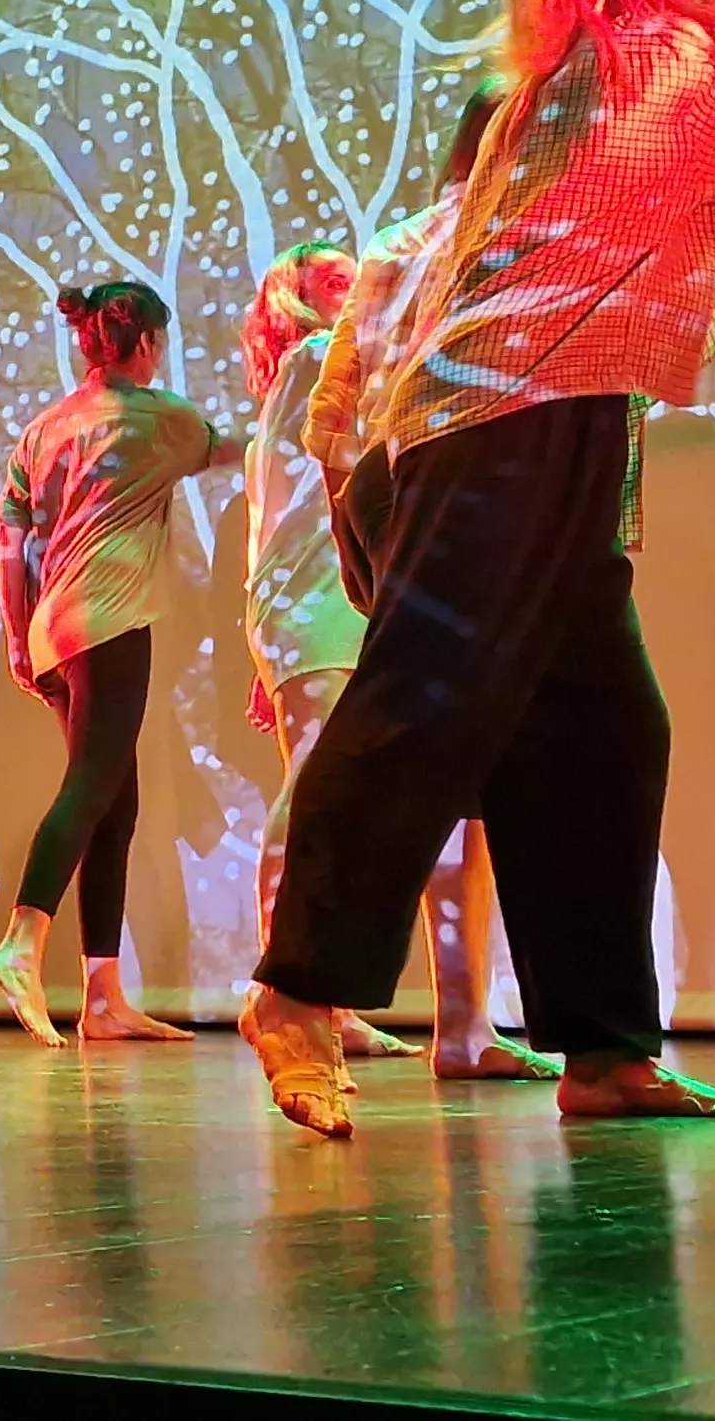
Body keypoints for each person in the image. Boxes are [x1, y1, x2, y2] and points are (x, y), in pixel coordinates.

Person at [245, 0, 715, 1137]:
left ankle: (606, 1048)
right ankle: (296, 990)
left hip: (517, 427)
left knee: (601, 730)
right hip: (504, 422)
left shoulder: (566, 93)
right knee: (427, 692)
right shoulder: (651, 59)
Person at [240, 237, 552, 1082]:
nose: (358, 292)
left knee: (451, 805)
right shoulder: (318, 360)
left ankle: (462, 1025)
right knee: (321, 793)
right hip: (324, 599)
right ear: (295, 302)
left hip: (366, 593)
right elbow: (293, 511)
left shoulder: (345, 367)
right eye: (336, 282)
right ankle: (297, 1000)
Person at [0, 281, 235, 1047]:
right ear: (149, 343)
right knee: (92, 780)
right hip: (113, 616)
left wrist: (17, 636)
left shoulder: (48, 426)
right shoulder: (160, 420)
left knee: (115, 806)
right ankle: (20, 941)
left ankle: (103, 995)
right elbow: (243, 451)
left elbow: (9, 536)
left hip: (56, 621)